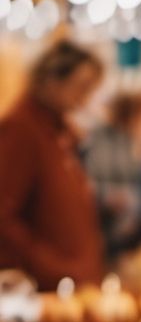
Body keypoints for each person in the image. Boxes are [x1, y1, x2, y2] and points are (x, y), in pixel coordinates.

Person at [0, 40, 105, 289]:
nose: (84, 98)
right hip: (42, 286)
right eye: (80, 87)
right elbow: (4, 214)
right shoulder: (22, 128)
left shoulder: (61, 131)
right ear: (51, 81)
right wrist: (48, 264)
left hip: (71, 279)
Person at [83, 87, 141, 264]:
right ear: (132, 116)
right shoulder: (105, 146)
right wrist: (110, 198)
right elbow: (87, 185)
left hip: (130, 240)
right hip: (108, 240)